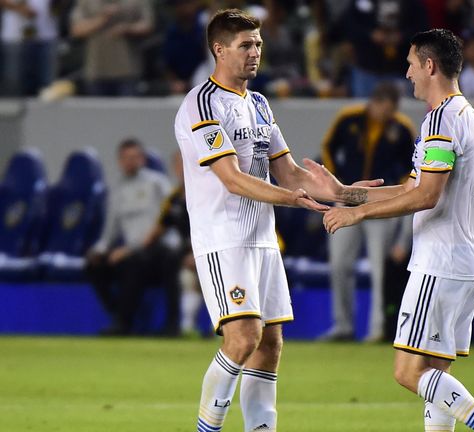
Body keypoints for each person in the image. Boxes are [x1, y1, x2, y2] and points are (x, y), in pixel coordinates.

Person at [173, 9, 376, 432]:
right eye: (245, 45)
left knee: (269, 344)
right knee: (244, 337)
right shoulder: (201, 103)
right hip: (224, 239)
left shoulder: (260, 105)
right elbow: (232, 178)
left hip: (263, 239)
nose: (255, 52)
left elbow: (290, 173)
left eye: (258, 44)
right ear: (219, 49)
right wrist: (291, 199)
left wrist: (344, 193)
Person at [322, 28, 474, 432]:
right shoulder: (465, 114)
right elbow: (413, 187)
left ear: (430, 66)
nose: (408, 72)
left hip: (442, 261)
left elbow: (427, 196)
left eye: (412, 64)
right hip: (469, 261)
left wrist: (360, 215)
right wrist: (347, 195)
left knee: (408, 371)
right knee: (435, 372)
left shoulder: (442, 120)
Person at [319, 82, 416, 342]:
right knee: (339, 265)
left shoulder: (401, 128)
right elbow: (328, 147)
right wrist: (336, 184)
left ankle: (378, 329)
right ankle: (343, 326)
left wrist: (398, 192)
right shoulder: (349, 118)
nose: (389, 115)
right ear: (375, 103)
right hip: (346, 200)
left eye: (393, 110)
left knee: (379, 269)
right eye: (387, 109)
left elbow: (412, 167)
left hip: (380, 208)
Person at [85, 138, 173, 335]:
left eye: (135, 157)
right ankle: (118, 314)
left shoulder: (157, 183)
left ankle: (123, 323)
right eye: (126, 158)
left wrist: (129, 250)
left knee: (135, 262)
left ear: (143, 159)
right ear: (119, 161)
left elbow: (166, 222)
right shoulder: (117, 189)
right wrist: (99, 250)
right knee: (93, 266)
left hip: (157, 248)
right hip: (130, 252)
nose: (130, 162)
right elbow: (110, 231)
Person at [142, 150, 200, 336]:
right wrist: (135, 251)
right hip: (183, 255)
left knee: (184, 274)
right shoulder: (174, 198)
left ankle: (190, 326)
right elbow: (159, 227)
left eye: (187, 162)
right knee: (165, 262)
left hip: (208, 252)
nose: (183, 168)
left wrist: (198, 254)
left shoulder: (208, 193)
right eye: (179, 164)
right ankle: (176, 325)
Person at [69, 0, 154, 96]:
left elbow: (148, 26)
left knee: (128, 105)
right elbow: (76, 30)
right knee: (97, 105)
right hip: (97, 72)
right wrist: (103, 18)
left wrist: (127, 29)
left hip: (128, 72)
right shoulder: (86, 2)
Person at [0, 0, 59, 96]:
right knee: (14, 84)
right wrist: (19, 8)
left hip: (47, 36)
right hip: (15, 38)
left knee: (47, 86)